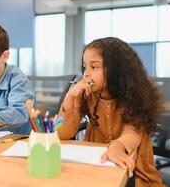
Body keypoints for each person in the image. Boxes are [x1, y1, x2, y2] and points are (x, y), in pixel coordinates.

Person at [58, 37, 165, 186]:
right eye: (85, 67)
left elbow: (132, 133)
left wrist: (117, 147)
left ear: (116, 70)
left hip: (135, 176)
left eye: (94, 67)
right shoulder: (88, 96)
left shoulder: (133, 95)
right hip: (96, 170)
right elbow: (63, 133)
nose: (86, 74)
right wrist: (70, 97)